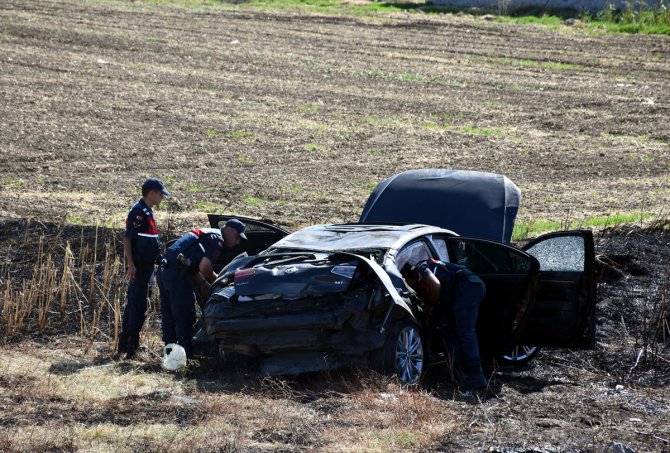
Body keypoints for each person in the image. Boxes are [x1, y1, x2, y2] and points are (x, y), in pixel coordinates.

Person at [157, 219, 247, 358]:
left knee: (169, 316)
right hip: (177, 276)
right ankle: (185, 358)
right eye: (237, 237)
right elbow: (204, 267)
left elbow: (191, 265)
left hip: (165, 271)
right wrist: (219, 280)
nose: (237, 242)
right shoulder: (218, 239)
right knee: (184, 316)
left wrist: (204, 283)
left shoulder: (209, 234)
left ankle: (170, 357)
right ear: (230, 230)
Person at [401, 258, 488, 390]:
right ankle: (457, 370)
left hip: (468, 287)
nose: (411, 288)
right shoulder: (427, 266)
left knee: (466, 332)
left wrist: (430, 305)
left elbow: (435, 284)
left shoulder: (419, 267)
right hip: (468, 287)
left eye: (408, 284)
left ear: (409, 277)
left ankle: (477, 375)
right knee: (446, 328)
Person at [119, 178, 170, 359]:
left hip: (147, 266)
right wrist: (131, 265)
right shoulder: (138, 213)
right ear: (152, 193)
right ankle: (131, 345)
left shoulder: (147, 212)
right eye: (160, 194)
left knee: (137, 303)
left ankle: (125, 344)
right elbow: (128, 239)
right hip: (140, 267)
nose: (162, 197)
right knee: (137, 304)